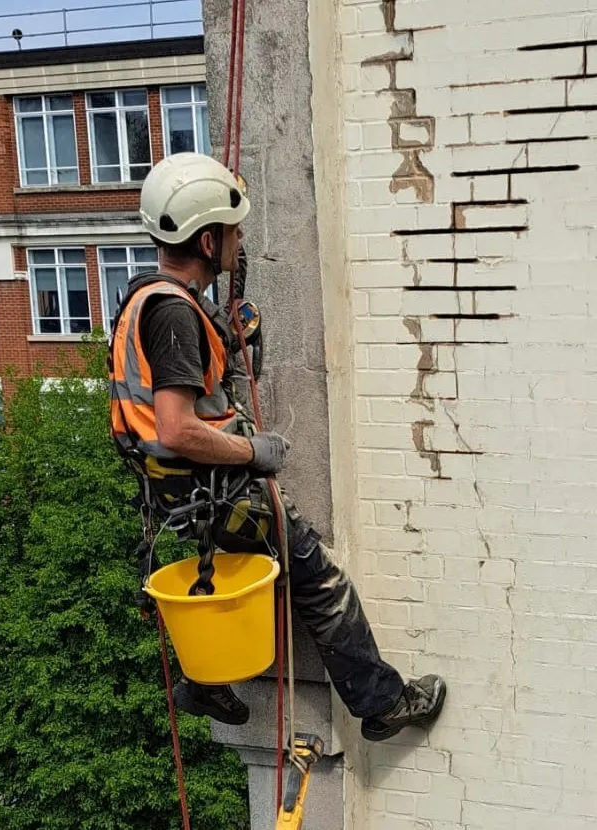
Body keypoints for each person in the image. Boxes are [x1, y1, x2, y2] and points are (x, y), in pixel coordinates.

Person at [108, 152, 445, 742]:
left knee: (228, 573)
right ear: (209, 240)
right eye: (233, 232)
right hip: (210, 484)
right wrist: (253, 454)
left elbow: (184, 398)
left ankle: (205, 680)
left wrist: (228, 340)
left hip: (178, 491)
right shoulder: (174, 316)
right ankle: (383, 703)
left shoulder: (150, 299)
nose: (240, 242)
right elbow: (176, 427)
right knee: (317, 579)